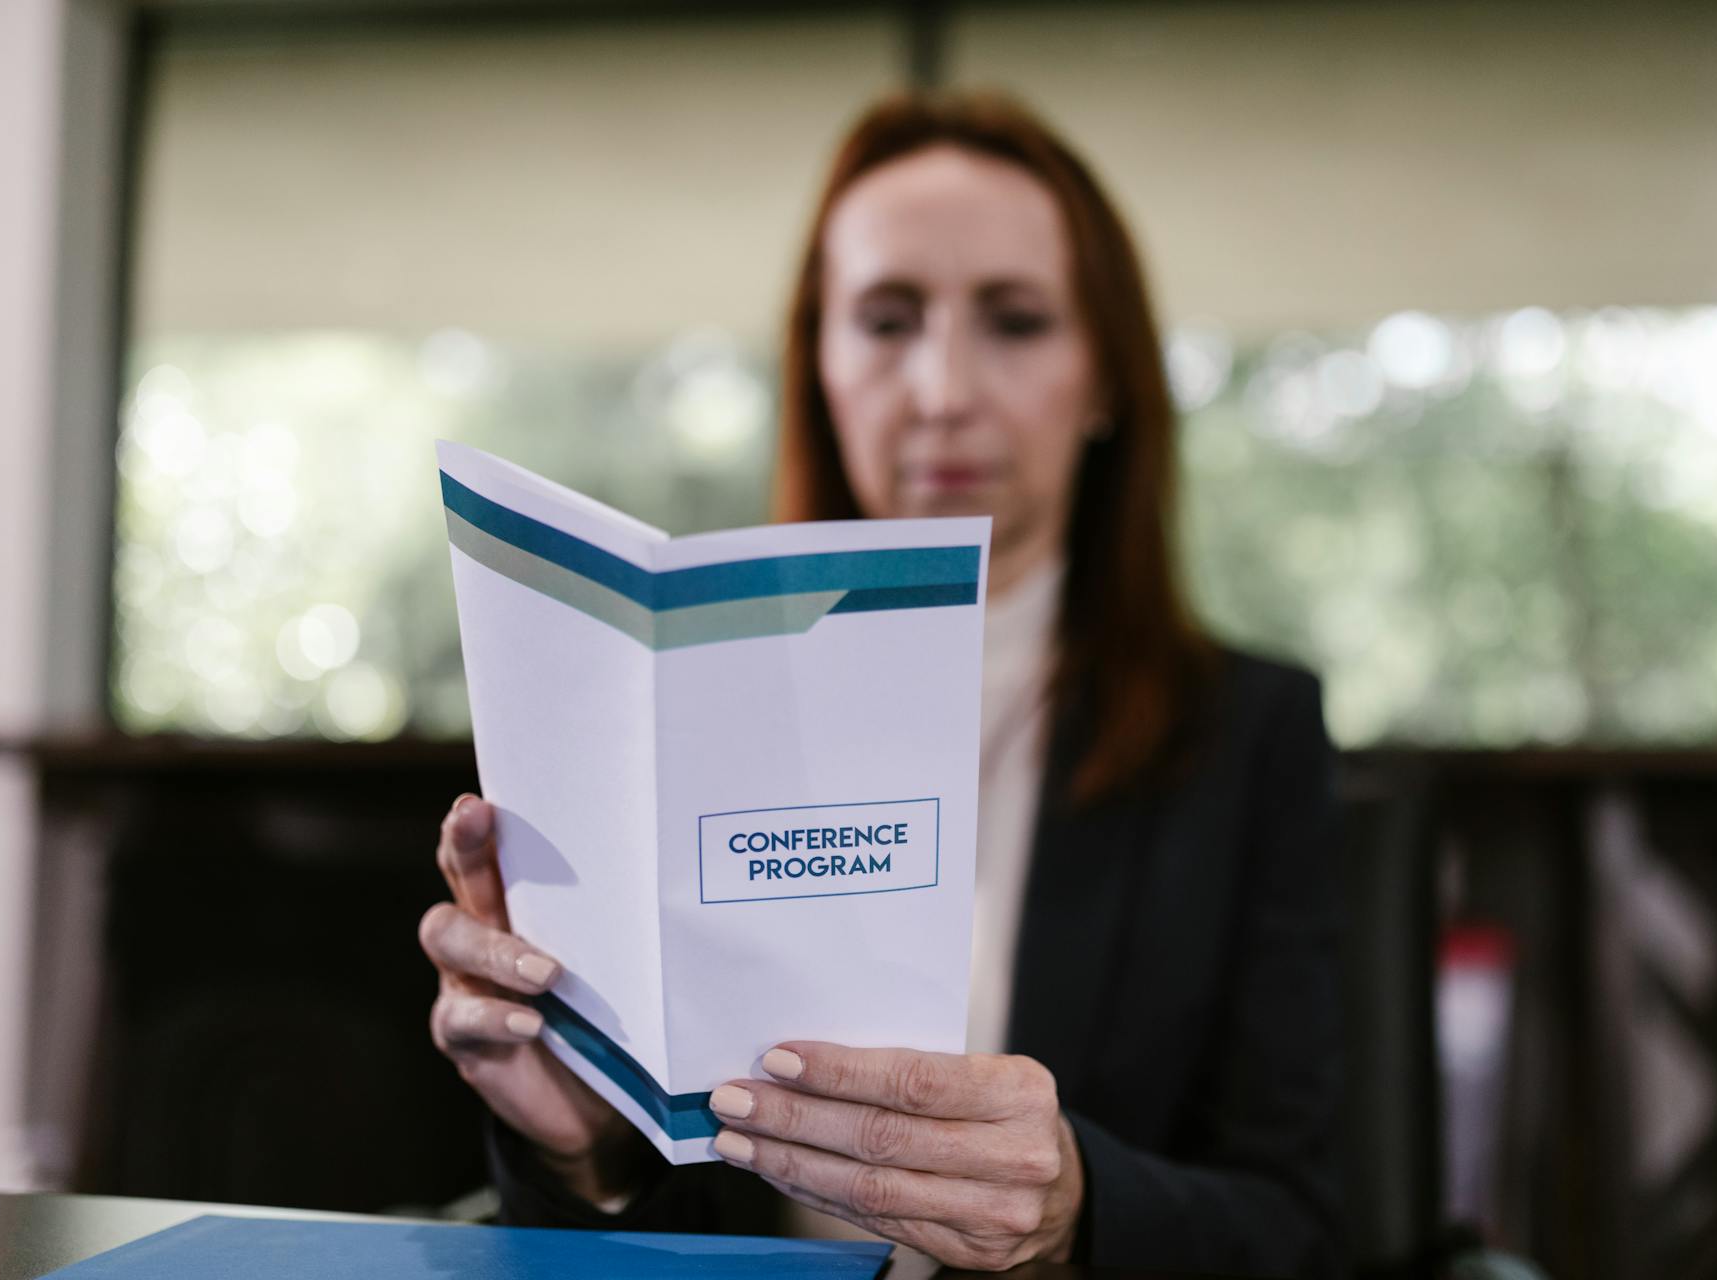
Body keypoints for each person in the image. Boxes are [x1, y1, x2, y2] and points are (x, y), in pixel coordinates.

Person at [417, 89, 1345, 1277]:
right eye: (887, 318)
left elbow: (1307, 1228)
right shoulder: (658, 710)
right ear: (821, 363)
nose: (945, 388)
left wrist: (1074, 1210)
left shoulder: (1248, 735)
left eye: (1015, 320)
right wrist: (582, 1151)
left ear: (1106, 375)